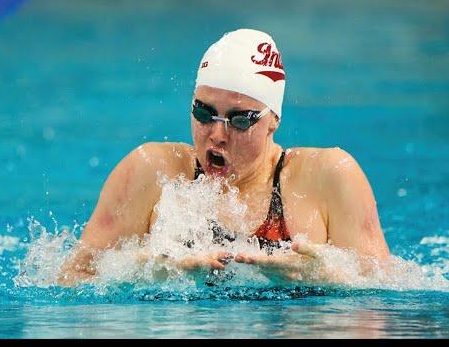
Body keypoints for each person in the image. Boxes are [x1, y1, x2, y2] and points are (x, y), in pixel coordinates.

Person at [58, 29, 390, 286]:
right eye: (204, 114)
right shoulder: (149, 171)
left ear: (273, 118)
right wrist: (149, 271)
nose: (217, 135)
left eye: (240, 120)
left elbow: (388, 296)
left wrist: (327, 278)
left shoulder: (329, 177)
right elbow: (70, 280)